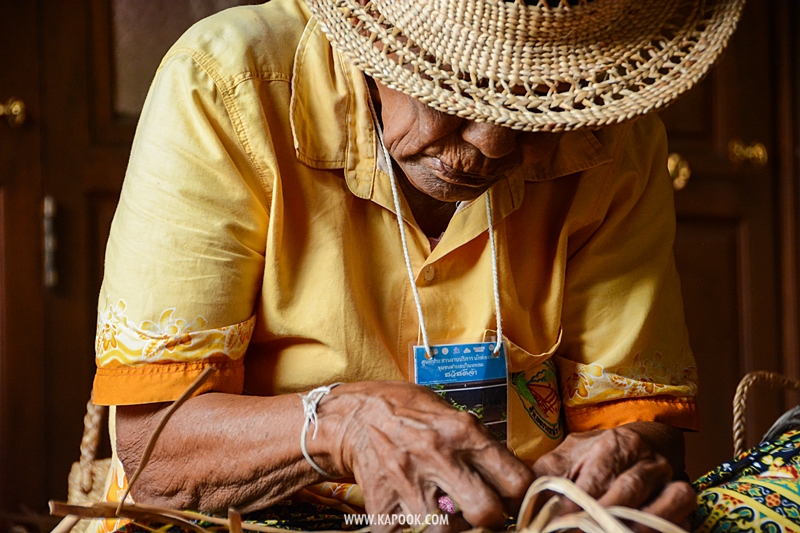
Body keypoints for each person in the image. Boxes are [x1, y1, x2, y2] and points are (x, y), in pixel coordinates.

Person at [89, 0, 743, 531]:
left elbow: (640, 428)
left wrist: (620, 463)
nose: (493, 143)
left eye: (536, 100)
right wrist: (336, 423)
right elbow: (152, 452)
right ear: (370, 31)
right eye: (460, 88)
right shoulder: (227, 83)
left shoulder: (610, 135)